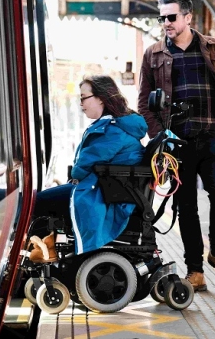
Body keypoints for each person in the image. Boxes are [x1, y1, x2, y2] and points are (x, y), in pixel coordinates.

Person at [138, 0, 215, 291]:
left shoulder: (213, 48)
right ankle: (194, 269)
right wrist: (162, 138)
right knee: (185, 207)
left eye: (171, 17)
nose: (166, 23)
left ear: (187, 17)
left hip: (212, 138)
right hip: (177, 144)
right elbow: (144, 103)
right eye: (162, 18)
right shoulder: (153, 54)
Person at [32, 75, 147, 257]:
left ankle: (44, 250)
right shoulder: (117, 125)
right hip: (105, 190)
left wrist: (75, 175)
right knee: (46, 200)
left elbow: (87, 161)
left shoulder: (114, 129)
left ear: (100, 98)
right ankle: (48, 247)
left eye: (83, 97)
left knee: (36, 203)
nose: (81, 103)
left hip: (103, 195)